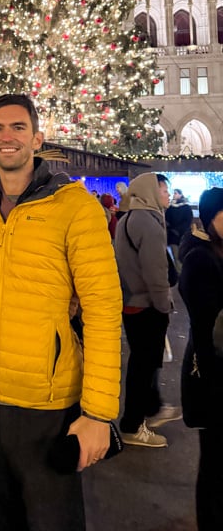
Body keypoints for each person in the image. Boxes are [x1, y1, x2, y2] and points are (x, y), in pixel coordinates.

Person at [0, 94, 122, 531]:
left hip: (47, 407)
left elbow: (103, 311)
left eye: (18, 127)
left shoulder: (75, 208)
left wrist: (98, 413)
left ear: (38, 137)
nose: (7, 136)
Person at [114, 172, 181, 448]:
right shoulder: (148, 222)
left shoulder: (128, 218)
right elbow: (156, 272)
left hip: (132, 303)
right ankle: (132, 425)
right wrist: (164, 306)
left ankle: (151, 410)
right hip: (146, 306)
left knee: (143, 364)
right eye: (164, 190)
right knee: (143, 366)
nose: (167, 195)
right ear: (151, 192)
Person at [179, 188, 223, 530]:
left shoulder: (216, 252)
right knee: (214, 462)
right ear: (210, 219)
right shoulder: (200, 259)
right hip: (210, 375)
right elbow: (207, 326)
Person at [166, 188, 194, 266]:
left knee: (185, 257)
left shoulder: (186, 207)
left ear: (180, 195)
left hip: (183, 236)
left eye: (176, 193)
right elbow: (166, 220)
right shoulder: (170, 208)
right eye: (173, 193)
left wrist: (178, 230)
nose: (173, 195)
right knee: (176, 258)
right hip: (173, 238)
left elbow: (188, 221)